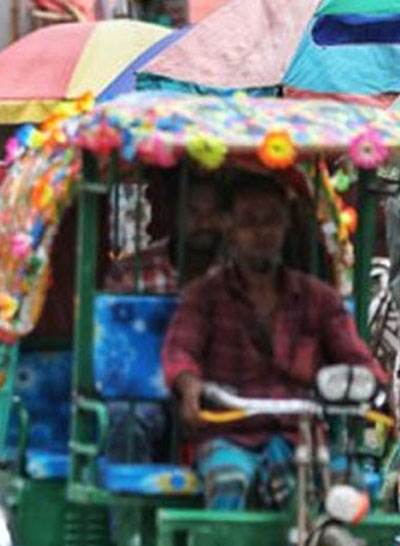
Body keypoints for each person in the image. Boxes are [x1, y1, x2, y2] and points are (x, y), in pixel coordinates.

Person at [162, 173, 385, 509]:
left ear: (285, 225)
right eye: (249, 221)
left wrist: (382, 391)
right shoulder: (204, 295)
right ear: (229, 227)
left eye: (272, 220)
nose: (261, 232)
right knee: (228, 482)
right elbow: (181, 348)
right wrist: (189, 385)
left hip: (301, 433)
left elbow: (355, 355)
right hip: (232, 434)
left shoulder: (318, 298)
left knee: (349, 484)